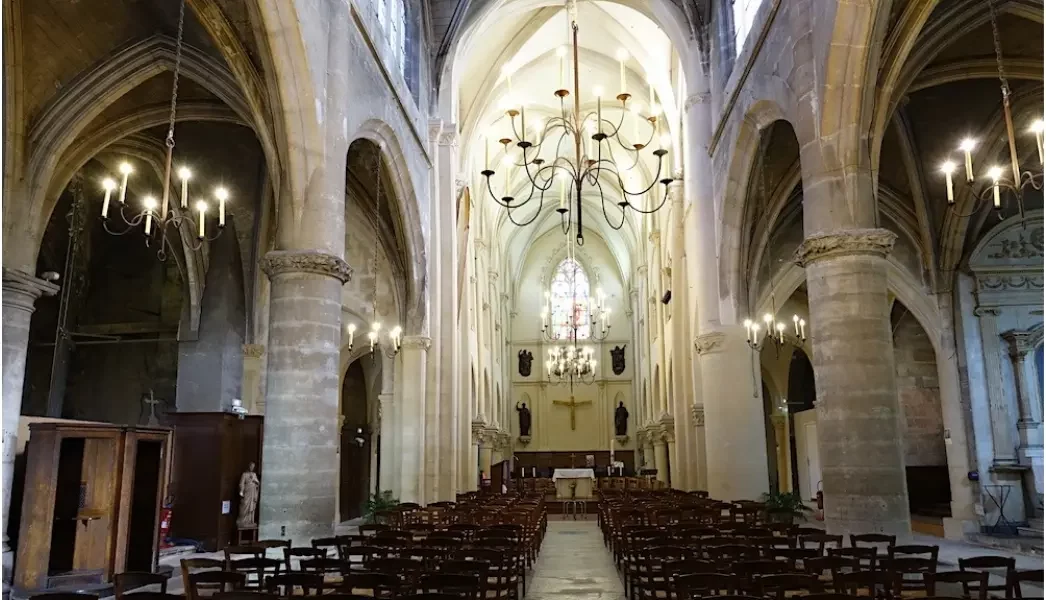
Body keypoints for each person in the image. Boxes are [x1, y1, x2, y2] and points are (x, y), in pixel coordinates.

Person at [237, 462, 260, 527]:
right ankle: (242, 521)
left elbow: (258, 483)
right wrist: (241, 491)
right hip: (246, 492)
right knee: (244, 505)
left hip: (253, 492)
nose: (252, 468)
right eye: (251, 466)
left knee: (252, 506)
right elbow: (241, 483)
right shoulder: (244, 474)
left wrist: (256, 482)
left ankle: (250, 521)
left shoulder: (254, 474)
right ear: (248, 466)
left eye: (253, 467)